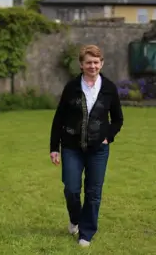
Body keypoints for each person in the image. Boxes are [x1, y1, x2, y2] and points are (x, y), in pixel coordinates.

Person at [49, 44, 124, 247]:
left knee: (93, 192)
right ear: (81, 65)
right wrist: (54, 147)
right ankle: (75, 218)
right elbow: (59, 119)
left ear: (102, 63)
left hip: (98, 150)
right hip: (72, 147)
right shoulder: (71, 87)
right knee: (72, 189)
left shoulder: (109, 88)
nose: (93, 66)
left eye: (96, 62)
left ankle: (86, 232)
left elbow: (117, 119)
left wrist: (108, 136)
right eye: (88, 62)